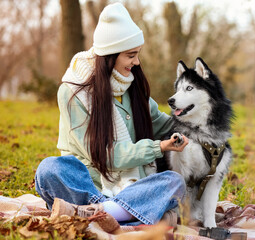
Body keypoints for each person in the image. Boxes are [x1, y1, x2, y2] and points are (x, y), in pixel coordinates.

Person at [34, 2, 188, 230]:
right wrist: (158, 148)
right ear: (110, 56)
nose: (136, 62)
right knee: (49, 169)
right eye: (130, 55)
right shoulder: (73, 92)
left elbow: (164, 124)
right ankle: (123, 212)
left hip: (128, 186)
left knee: (174, 182)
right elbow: (105, 156)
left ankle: (94, 214)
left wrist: (194, 125)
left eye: (137, 55)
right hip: (89, 183)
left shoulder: (133, 88)